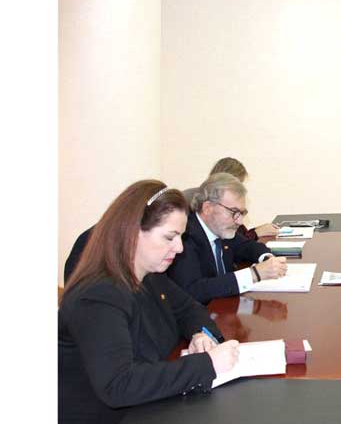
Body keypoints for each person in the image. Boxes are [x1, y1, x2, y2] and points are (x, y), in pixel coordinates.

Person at [59, 181, 241, 424]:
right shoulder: (98, 296)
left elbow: (189, 308)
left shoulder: (150, 275)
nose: (179, 248)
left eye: (181, 237)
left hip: (149, 404)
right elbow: (118, 384)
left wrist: (200, 335)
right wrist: (206, 364)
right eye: (170, 237)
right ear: (132, 233)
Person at [168, 173, 288, 304]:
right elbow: (194, 290)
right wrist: (254, 274)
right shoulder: (185, 236)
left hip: (228, 306)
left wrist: (267, 258)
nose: (239, 221)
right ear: (208, 208)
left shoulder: (221, 229)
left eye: (242, 213)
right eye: (234, 212)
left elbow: (247, 246)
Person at [184, 157, 279, 240]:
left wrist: (256, 230)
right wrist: (256, 233)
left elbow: (239, 235)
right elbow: (229, 242)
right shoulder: (204, 204)